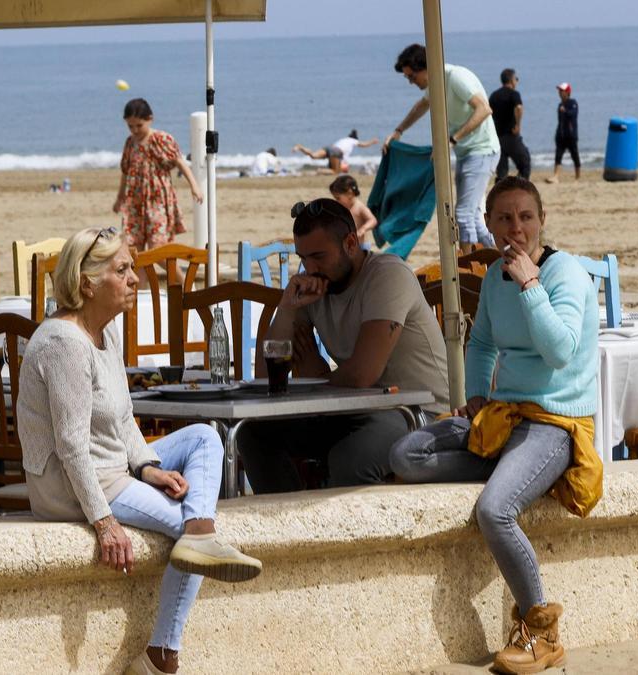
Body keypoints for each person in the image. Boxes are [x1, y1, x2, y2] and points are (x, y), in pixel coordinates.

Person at [17, 227, 262, 675]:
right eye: (123, 270)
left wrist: (147, 466)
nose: (135, 279)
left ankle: (201, 527)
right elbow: (72, 446)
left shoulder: (103, 335)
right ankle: (162, 656)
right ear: (87, 283)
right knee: (188, 541)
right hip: (75, 486)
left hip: (115, 469)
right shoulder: (63, 343)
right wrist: (105, 523)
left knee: (205, 436)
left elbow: (126, 417)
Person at [389, 176, 602, 674]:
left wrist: (530, 284)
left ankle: (540, 631)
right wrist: (476, 398)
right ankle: (516, 471)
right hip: (503, 419)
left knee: (495, 510)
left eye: (525, 217)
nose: (516, 228)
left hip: (554, 423)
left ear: (541, 220)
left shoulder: (562, 273)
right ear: (487, 224)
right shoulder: (493, 280)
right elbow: (482, 343)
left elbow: (560, 351)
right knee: (406, 455)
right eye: (504, 218)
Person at [236, 199, 450, 494]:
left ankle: (354, 539)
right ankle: (291, 529)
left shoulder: (387, 274)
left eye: (319, 256)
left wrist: (317, 378)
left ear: (351, 243)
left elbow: (362, 375)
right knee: (254, 434)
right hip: (353, 407)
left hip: (419, 412)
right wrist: (286, 308)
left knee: (351, 457)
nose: (310, 267)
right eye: (303, 258)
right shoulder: (314, 288)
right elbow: (266, 377)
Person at [385, 43, 500, 252]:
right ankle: (499, 254)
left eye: (412, 77)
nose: (411, 82)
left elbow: (484, 109)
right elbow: (421, 106)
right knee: (472, 214)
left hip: (483, 150)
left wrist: (452, 140)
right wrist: (398, 130)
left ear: (425, 68)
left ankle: (466, 265)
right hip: (465, 152)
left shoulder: (455, 76)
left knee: (463, 213)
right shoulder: (434, 84)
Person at [113, 98, 204, 251]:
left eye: (139, 125)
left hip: (157, 199)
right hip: (135, 201)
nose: (135, 130)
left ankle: (182, 276)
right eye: (130, 126)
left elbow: (179, 162)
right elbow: (126, 171)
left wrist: (194, 186)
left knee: (158, 247)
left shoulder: (161, 139)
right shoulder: (130, 143)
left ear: (150, 119)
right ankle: (142, 276)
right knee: (135, 249)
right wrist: (119, 198)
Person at [490, 69, 531, 180]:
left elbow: (489, 114)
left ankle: (502, 193)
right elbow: (519, 107)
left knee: (502, 172)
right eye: (516, 79)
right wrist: (518, 125)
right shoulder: (514, 94)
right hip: (511, 135)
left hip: (498, 138)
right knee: (525, 162)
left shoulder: (494, 96)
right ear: (511, 80)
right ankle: (521, 187)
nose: (517, 81)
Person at [293, 130, 379, 174]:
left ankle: (300, 147)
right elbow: (363, 145)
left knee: (313, 155)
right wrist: (372, 141)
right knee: (335, 171)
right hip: (336, 152)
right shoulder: (353, 140)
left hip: (330, 147)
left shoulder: (344, 139)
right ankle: (320, 171)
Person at [328, 175, 377, 244]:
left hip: (360, 247)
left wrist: (363, 229)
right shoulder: (341, 208)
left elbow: (373, 220)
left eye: (338, 198)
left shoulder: (359, 207)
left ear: (349, 194)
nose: (336, 201)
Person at [546, 83, 580, 184]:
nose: (560, 93)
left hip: (571, 135)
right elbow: (560, 121)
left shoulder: (573, 103)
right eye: (559, 91)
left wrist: (565, 111)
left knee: (575, 155)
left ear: (567, 92)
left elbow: (573, 115)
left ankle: (577, 178)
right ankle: (555, 176)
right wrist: (557, 133)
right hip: (561, 135)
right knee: (558, 156)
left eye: (562, 91)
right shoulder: (560, 105)